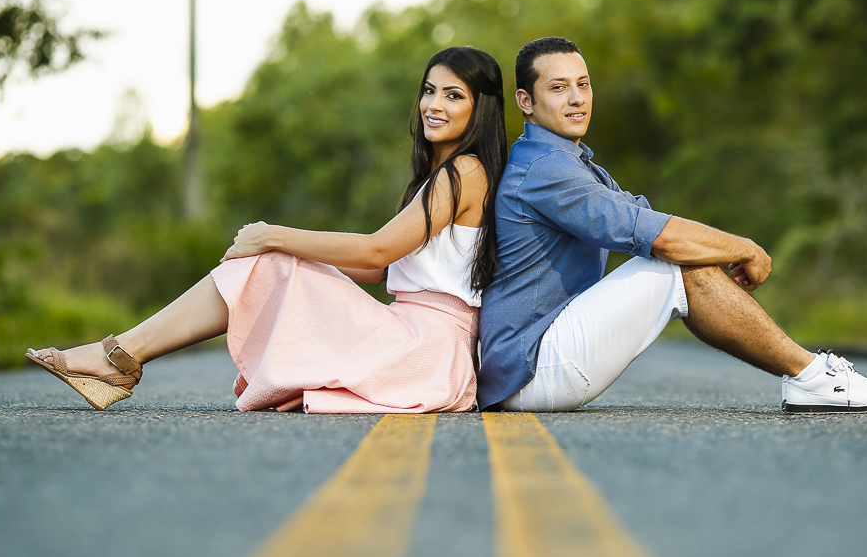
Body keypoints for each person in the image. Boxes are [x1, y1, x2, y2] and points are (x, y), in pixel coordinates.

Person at [28, 46, 508, 414]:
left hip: (427, 350)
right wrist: (283, 256)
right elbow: (379, 272)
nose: (434, 104)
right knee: (272, 264)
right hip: (418, 342)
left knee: (271, 257)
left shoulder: (465, 171)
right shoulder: (439, 176)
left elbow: (376, 252)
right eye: (429, 90)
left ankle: (119, 356)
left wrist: (273, 235)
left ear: (480, 108)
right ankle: (122, 355)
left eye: (453, 95)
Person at [477, 36, 867, 414]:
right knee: (674, 265)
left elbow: (647, 218)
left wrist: (718, 248)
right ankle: (812, 377)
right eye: (558, 87)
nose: (576, 98)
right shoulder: (546, 168)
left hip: (537, 363)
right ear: (525, 101)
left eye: (583, 84)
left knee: (679, 257)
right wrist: (745, 249)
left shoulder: (568, 161)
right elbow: (657, 236)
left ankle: (810, 376)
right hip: (530, 369)